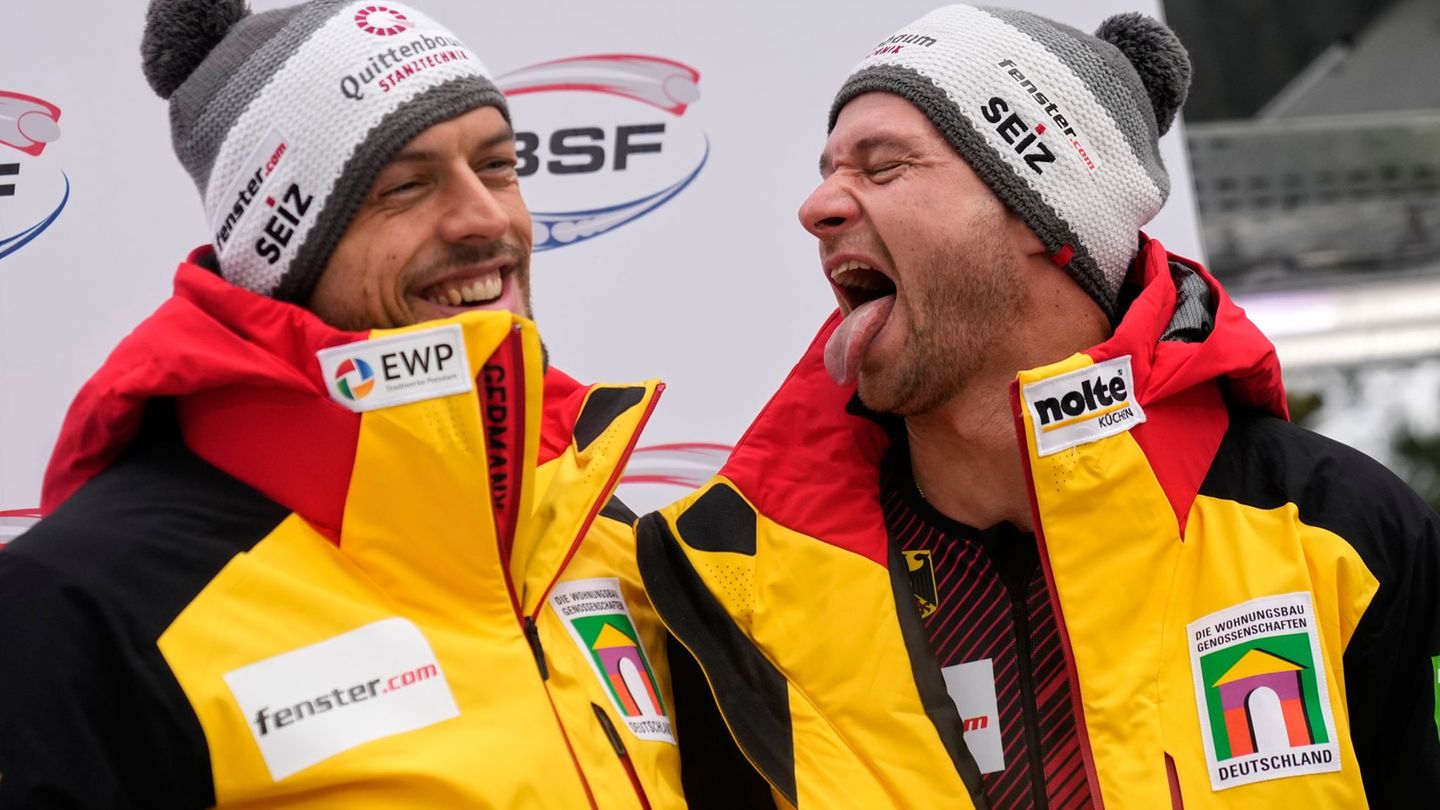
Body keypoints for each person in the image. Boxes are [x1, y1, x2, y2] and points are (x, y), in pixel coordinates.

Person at [638, 5, 1440, 808]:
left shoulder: (1335, 532)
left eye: (882, 169)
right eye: (828, 172)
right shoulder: (741, 587)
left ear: (1040, 213)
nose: (818, 209)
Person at [0, 0, 683, 806]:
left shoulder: (596, 529)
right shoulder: (83, 601)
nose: (486, 217)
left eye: (498, 165)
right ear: (283, 248)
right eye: (404, 186)